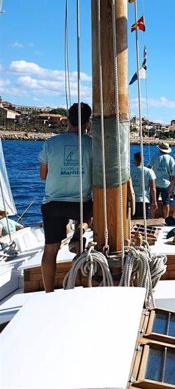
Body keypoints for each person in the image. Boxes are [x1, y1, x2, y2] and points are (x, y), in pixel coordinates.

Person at [38, 102, 93, 293]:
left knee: (50, 249)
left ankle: (48, 292)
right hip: (80, 204)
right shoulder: (92, 144)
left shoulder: (50, 143)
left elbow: (43, 175)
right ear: (88, 122)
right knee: (88, 215)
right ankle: (80, 230)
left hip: (53, 203)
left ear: (68, 119)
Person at [148, 142, 175, 221]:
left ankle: (151, 219)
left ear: (159, 149)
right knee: (166, 202)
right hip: (166, 184)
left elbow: (149, 168)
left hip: (155, 183)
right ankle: (165, 219)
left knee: (153, 201)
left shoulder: (154, 157)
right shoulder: (170, 159)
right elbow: (173, 172)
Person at [131, 152, 157, 219]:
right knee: (144, 221)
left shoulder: (130, 171)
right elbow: (153, 188)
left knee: (133, 221)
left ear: (135, 160)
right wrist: (154, 201)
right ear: (143, 159)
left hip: (132, 200)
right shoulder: (149, 171)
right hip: (144, 200)